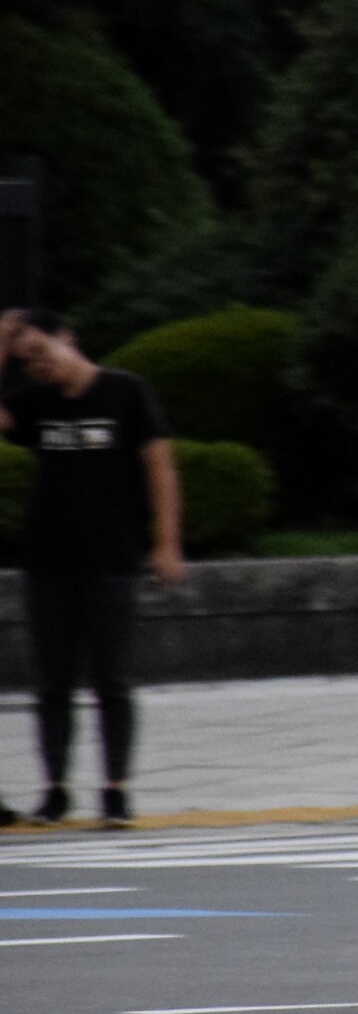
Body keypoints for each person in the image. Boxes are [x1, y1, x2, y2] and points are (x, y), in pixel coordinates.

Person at [0, 308, 186, 828]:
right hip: (48, 562)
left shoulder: (126, 392)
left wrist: (166, 543)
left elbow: (160, 469)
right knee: (52, 682)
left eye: (41, 351)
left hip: (111, 559)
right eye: (25, 361)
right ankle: (55, 787)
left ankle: (115, 789)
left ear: (68, 338)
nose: (37, 366)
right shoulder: (36, 404)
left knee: (112, 680)